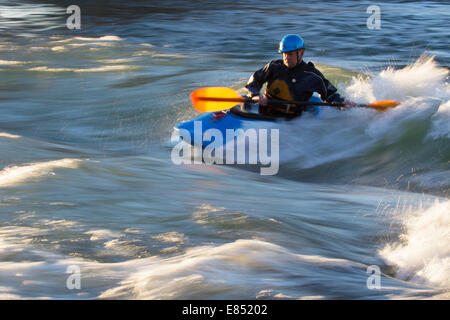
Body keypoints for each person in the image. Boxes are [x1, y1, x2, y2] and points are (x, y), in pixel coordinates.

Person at [245, 34, 349, 117]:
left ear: (301, 53)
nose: (286, 58)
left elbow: (330, 94)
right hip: (265, 111)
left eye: (290, 54)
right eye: (284, 54)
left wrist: (342, 103)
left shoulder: (313, 75)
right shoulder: (273, 66)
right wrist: (255, 95)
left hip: (292, 119)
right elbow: (254, 82)